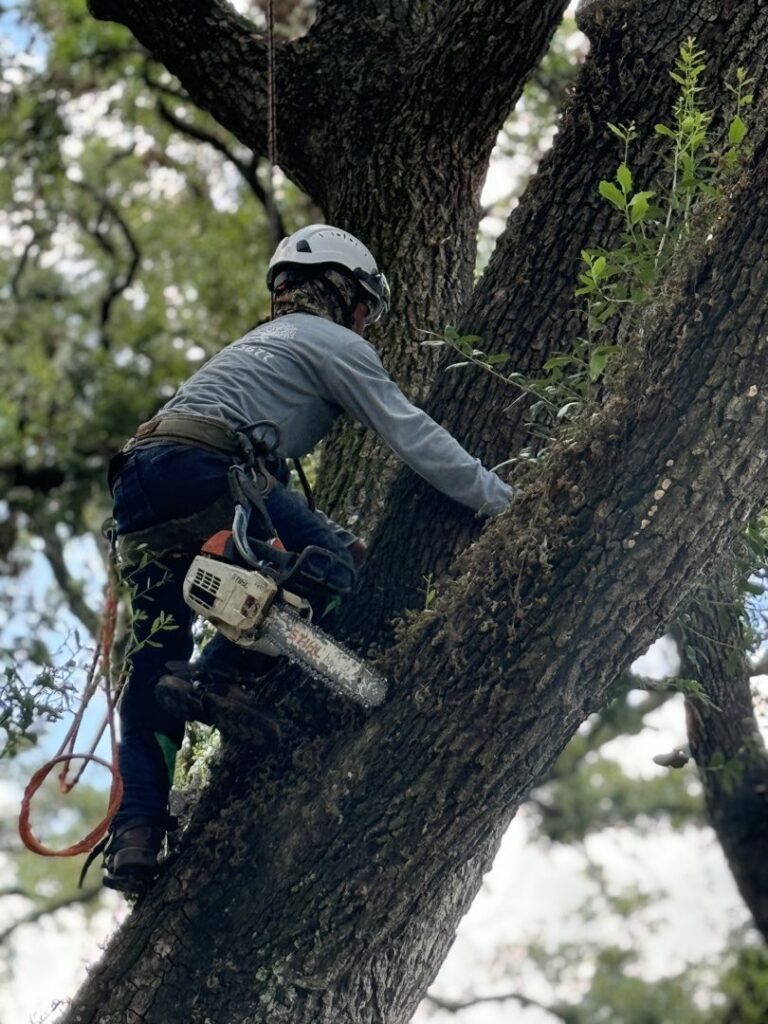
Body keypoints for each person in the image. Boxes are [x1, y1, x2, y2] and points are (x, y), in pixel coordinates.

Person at [98, 224, 515, 892]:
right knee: (334, 570)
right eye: (364, 309)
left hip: (138, 487)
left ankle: (136, 836)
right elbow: (413, 434)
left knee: (153, 656)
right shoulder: (333, 342)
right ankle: (217, 676)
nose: (364, 326)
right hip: (206, 471)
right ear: (342, 290)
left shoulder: (248, 352)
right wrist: (503, 501)